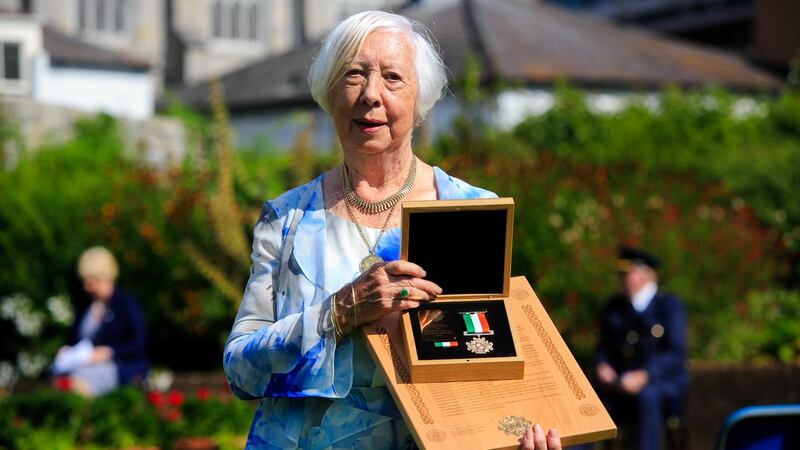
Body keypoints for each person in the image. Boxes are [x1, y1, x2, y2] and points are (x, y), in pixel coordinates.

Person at [222, 11, 561, 450]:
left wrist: (516, 433)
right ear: (329, 92)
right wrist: (337, 312)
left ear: (421, 99)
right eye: (354, 75)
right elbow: (239, 372)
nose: (371, 95)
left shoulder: (468, 210)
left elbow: (489, 355)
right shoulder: (287, 219)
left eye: (393, 78)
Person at [592, 246, 687, 450]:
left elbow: (675, 355)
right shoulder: (614, 307)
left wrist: (645, 375)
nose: (622, 278)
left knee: (647, 398)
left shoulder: (668, 306)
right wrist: (602, 366)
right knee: (587, 402)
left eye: (628, 273)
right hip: (619, 384)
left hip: (659, 384)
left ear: (646, 274)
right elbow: (603, 347)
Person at [52, 246, 148, 396]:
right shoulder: (85, 306)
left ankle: (83, 417)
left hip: (118, 365)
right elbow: (74, 340)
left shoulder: (125, 303)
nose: (87, 287)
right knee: (58, 377)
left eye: (92, 282)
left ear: (105, 277)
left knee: (78, 380)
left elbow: (138, 343)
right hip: (82, 365)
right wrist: (67, 351)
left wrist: (108, 352)